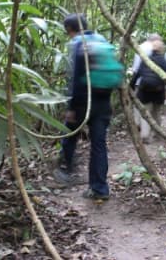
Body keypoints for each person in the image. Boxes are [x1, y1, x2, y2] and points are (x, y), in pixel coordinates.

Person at [54, 13, 111, 200]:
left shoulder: (78, 43)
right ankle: (100, 189)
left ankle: (65, 170)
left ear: (70, 30)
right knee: (99, 145)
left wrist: (71, 107)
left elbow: (76, 78)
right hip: (103, 101)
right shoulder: (101, 40)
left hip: (82, 102)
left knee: (69, 135)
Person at [130, 39, 166, 143]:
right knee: (156, 113)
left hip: (145, 91)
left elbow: (137, 74)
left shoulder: (146, 59)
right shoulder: (163, 61)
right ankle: (158, 135)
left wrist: (131, 87)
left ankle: (145, 135)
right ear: (162, 49)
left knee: (145, 113)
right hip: (158, 92)